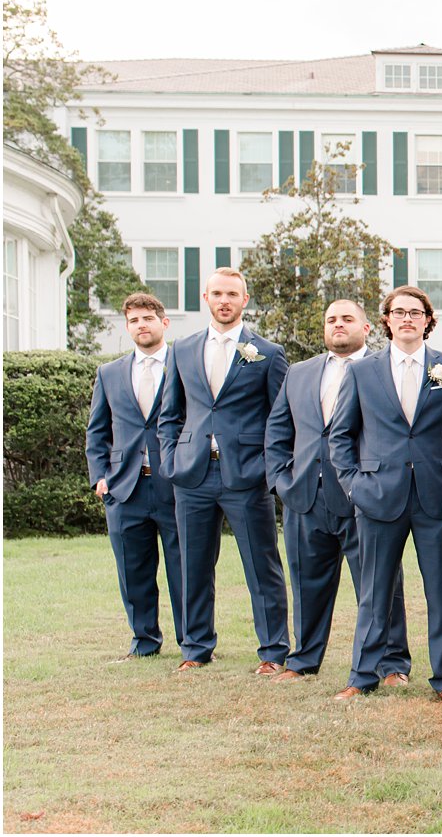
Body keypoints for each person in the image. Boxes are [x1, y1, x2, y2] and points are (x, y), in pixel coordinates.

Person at [328, 286, 442, 708]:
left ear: (428, 320)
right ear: (386, 320)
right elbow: (341, 435)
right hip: (378, 497)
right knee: (373, 591)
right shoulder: (361, 372)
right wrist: (355, 485)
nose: (407, 318)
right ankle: (363, 675)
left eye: (416, 312)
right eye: (399, 312)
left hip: (436, 498)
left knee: (441, 592)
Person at [264, 300, 409, 683]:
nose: (338, 325)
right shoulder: (299, 372)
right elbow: (278, 431)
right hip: (306, 498)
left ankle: (392, 663)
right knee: (306, 583)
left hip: (365, 499)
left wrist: (369, 487)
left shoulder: (383, 371)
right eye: (331, 319)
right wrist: (281, 481)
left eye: (347, 319)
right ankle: (304, 660)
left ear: (366, 328)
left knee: (380, 585)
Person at [157, 267, 289, 674]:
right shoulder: (182, 348)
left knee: (261, 564)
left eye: (232, 293)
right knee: (192, 564)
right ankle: (196, 648)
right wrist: (171, 461)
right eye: (217, 293)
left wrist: (267, 468)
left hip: (246, 475)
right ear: (206, 298)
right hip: (193, 474)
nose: (224, 300)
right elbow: (170, 414)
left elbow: (281, 419)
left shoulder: (267, 352)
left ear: (245, 299)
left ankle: (272, 651)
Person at [85, 292, 185, 661]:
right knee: (133, 571)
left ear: (164, 322)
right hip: (125, 487)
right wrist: (100, 477)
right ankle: (144, 642)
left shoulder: (183, 364)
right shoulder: (109, 373)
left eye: (147, 318)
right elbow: (97, 431)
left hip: (174, 484)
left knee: (184, 569)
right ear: (127, 327)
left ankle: (191, 641)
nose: (141, 325)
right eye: (133, 320)